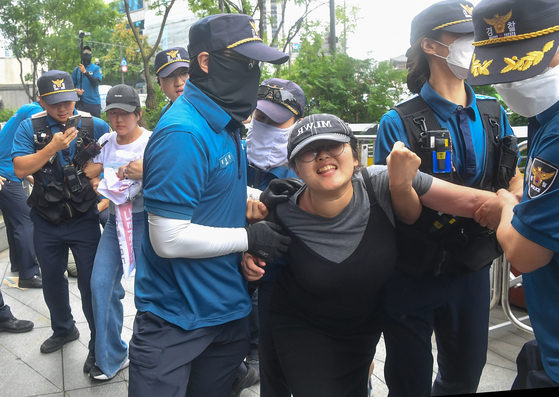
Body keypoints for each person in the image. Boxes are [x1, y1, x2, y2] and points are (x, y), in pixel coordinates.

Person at [242, 113, 503, 397]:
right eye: (308, 151)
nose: (322, 156)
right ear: (294, 168)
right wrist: (249, 254)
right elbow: (257, 262)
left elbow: (471, 200)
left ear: (355, 157)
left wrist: (511, 202)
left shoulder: (380, 182)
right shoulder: (282, 210)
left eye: (334, 146)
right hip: (303, 326)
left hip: (362, 326)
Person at [128, 14, 290, 397]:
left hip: (226, 313)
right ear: (205, 61)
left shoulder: (226, 122)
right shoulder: (184, 132)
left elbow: (210, 194)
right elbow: (168, 238)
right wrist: (248, 239)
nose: (255, 73)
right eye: (247, 62)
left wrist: (260, 197)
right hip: (176, 321)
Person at [373, 1, 523, 396]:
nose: (476, 45)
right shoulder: (399, 122)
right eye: (465, 37)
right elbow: (402, 213)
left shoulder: (494, 112)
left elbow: (516, 175)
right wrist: (403, 186)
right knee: (409, 380)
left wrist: (508, 198)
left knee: (465, 375)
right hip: (412, 271)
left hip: (471, 270)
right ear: (431, 46)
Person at [469, 0, 559, 390]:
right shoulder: (545, 118)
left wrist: (507, 204)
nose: (509, 81)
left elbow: (524, 252)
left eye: (525, 62)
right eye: (500, 67)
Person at [12, 70, 109, 373]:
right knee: (52, 279)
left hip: (84, 218)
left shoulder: (95, 125)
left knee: (92, 284)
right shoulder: (30, 128)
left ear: (76, 96)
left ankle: (98, 343)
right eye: (54, 103)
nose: (63, 109)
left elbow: (120, 159)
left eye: (67, 101)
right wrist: (51, 148)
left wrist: (101, 175)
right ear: (41, 101)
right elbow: (18, 168)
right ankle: (64, 328)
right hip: (45, 218)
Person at [235, 78, 306, 397]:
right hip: (246, 281)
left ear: (297, 124)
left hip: (299, 288)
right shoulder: (235, 158)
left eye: (277, 121)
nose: (264, 126)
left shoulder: (308, 168)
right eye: (260, 118)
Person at [83, 85, 152, 380]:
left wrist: (144, 171)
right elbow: (88, 170)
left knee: (151, 292)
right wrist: (101, 183)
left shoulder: (154, 142)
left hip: (149, 223)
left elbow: (174, 175)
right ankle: (111, 355)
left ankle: (155, 352)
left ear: (138, 113)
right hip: (114, 224)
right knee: (100, 285)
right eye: (112, 112)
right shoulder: (105, 141)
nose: (118, 119)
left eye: (124, 113)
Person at [0, 102, 43, 288]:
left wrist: (27, 174)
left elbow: (10, 143)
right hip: (6, 174)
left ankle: (17, 263)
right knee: (26, 220)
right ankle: (29, 274)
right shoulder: (36, 112)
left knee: (13, 220)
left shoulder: (27, 108)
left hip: (8, 170)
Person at [154, 46, 189, 117]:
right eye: (170, 76)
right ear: (159, 83)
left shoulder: (207, 107)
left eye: (184, 73)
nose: (179, 83)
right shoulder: (165, 113)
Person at [72, 45, 103, 118]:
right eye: (84, 52)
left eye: (88, 52)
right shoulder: (76, 70)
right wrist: (76, 90)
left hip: (94, 103)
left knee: (94, 125)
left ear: (92, 55)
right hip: (81, 103)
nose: (86, 53)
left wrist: (85, 72)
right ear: (81, 55)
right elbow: (71, 86)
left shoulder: (96, 68)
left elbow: (96, 83)